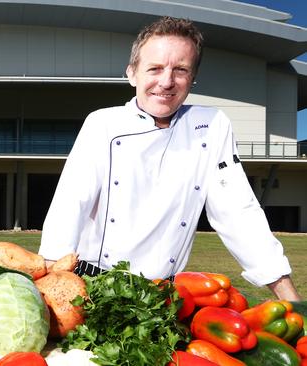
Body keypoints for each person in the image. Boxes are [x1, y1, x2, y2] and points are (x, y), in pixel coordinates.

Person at [38, 16, 301, 300]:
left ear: (193, 77)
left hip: (165, 293)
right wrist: (52, 282)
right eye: (155, 68)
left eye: (180, 70)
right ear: (132, 73)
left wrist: (289, 296)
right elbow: (71, 204)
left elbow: (238, 211)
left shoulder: (212, 125)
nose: (166, 82)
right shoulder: (102, 124)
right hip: (95, 284)